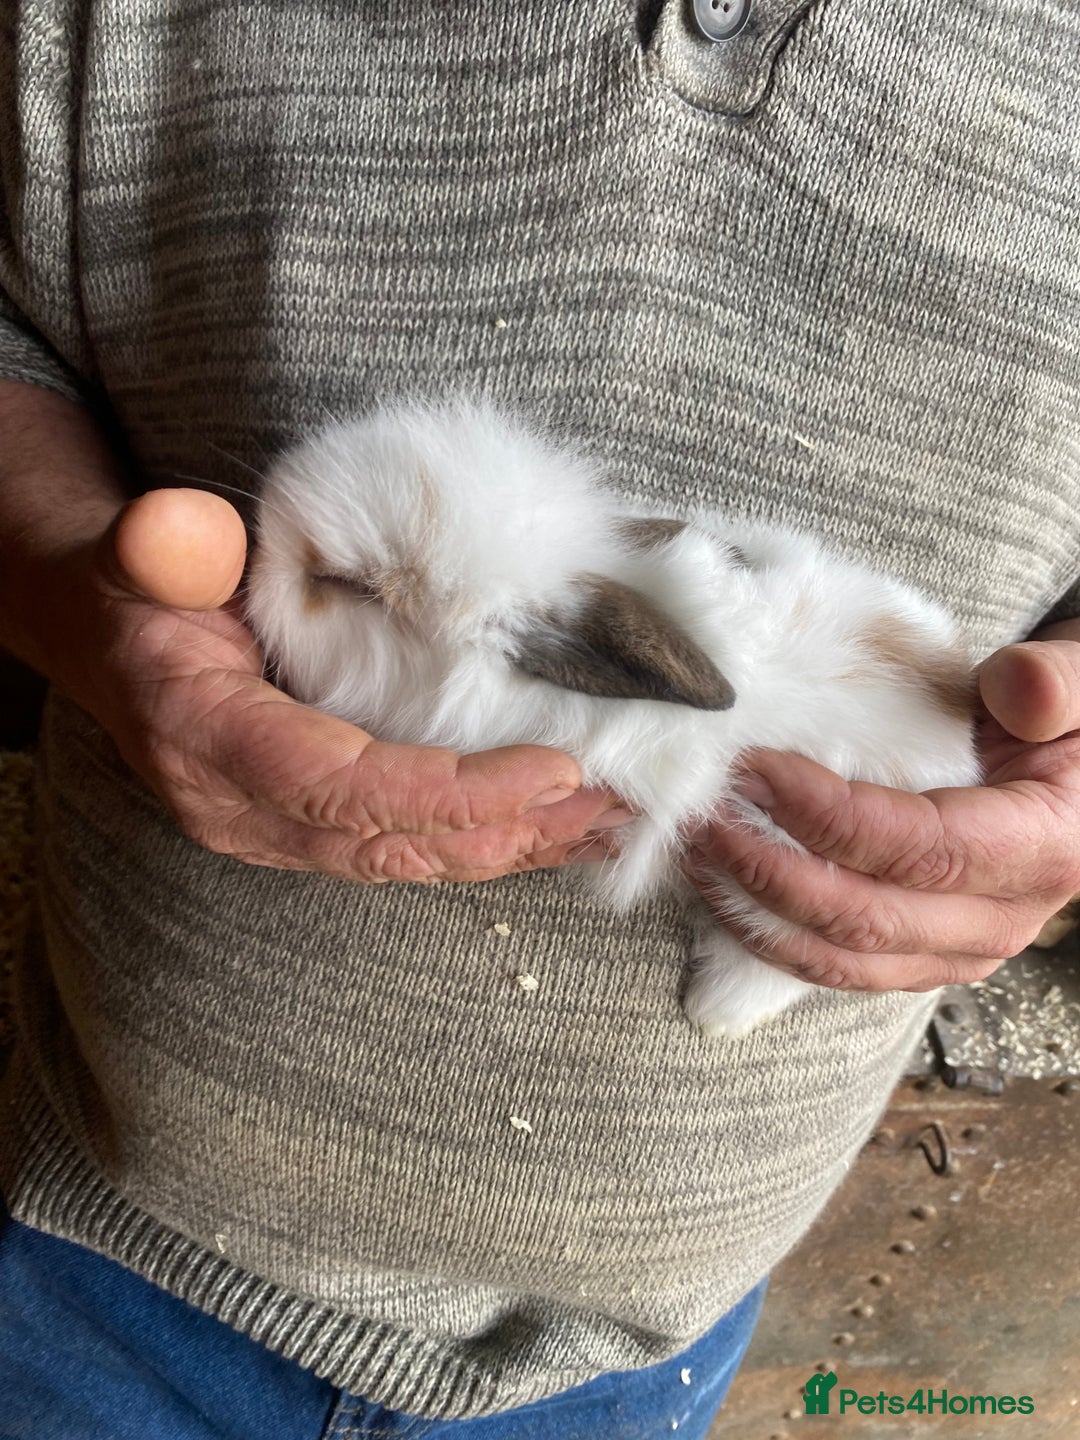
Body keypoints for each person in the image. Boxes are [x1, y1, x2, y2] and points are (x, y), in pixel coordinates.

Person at [1, 3, 1078, 1435]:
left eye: (339, 585)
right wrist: (79, 589)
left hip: (636, 1350)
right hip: (97, 1260)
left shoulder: (606, 679)